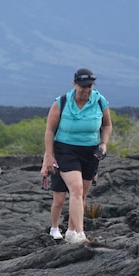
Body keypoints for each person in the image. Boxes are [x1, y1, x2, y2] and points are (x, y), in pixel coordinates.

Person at [41, 68, 112, 245]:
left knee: (82, 195)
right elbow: (49, 130)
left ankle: (71, 231)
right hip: (66, 149)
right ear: (75, 84)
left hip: (90, 151)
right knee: (76, 189)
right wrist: (48, 156)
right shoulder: (62, 102)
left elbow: (107, 125)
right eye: (83, 86)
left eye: (90, 86)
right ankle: (80, 234)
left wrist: (103, 144)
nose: (86, 90)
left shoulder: (100, 101)